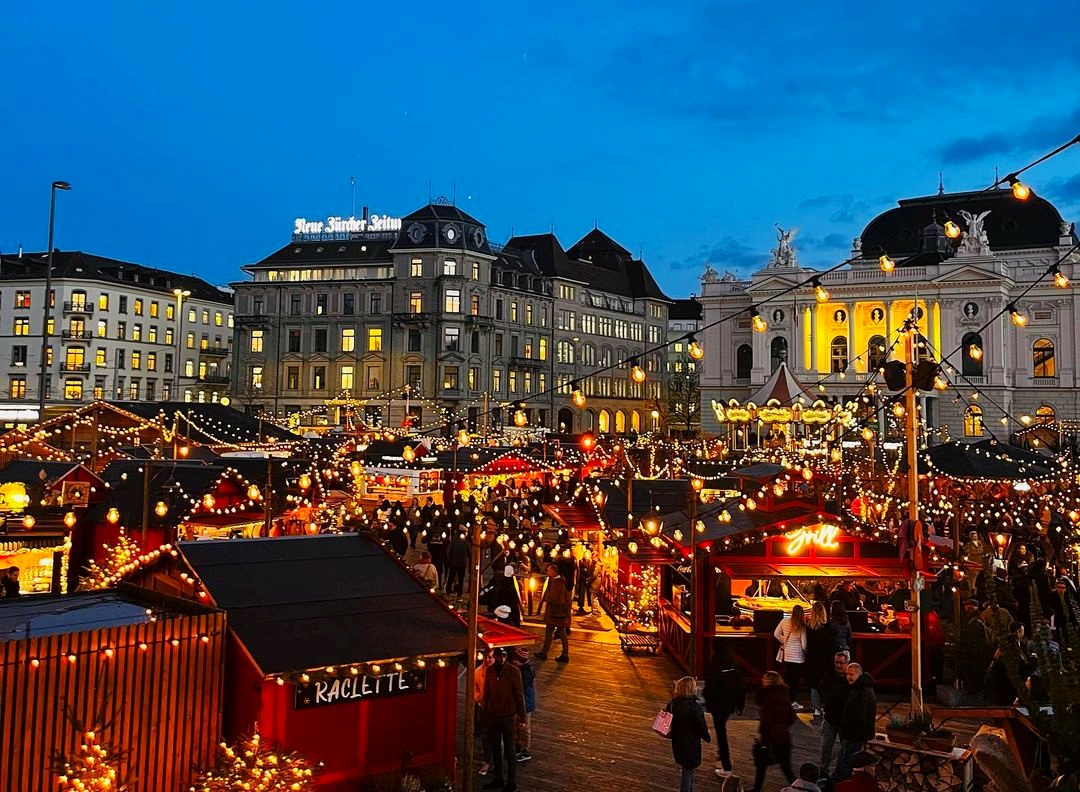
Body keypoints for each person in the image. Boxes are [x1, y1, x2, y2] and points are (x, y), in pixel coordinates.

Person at [481, 647, 525, 792]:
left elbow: (519, 695)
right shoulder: (490, 671)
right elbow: (486, 692)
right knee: (496, 749)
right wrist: (484, 711)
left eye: (504, 655)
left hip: (507, 716)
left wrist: (521, 716)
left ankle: (511, 782)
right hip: (493, 715)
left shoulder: (513, 671)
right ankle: (499, 779)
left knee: (509, 750)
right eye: (499, 656)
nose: (501, 658)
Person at [702, 642, 745, 779]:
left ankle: (726, 765)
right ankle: (721, 755)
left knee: (721, 733)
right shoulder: (733, 666)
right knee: (721, 730)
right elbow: (741, 686)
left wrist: (707, 701)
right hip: (730, 704)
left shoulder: (714, 666)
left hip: (717, 705)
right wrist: (740, 704)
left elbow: (710, 688)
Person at [750, 671, 796, 792]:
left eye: (764, 680)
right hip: (783, 737)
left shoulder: (768, 699)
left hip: (770, 737)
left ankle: (756, 789)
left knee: (762, 765)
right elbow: (791, 718)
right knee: (786, 768)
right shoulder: (784, 696)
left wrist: (762, 732)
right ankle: (799, 786)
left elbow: (766, 719)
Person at [665, 675, 711, 792]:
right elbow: (701, 726)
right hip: (691, 743)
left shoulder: (673, 703)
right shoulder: (695, 707)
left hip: (678, 740)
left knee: (687, 768)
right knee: (688, 771)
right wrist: (707, 737)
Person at [835, 663, 876, 782]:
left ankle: (842, 783)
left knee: (847, 761)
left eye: (851, 674)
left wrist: (846, 728)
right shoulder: (860, 688)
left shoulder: (862, 691)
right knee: (845, 759)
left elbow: (859, 716)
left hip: (855, 734)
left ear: (859, 674)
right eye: (847, 674)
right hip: (853, 733)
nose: (848, 677)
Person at [819, 650, 852, 778]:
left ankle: (841, 772)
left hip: (844, 720)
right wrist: (827, 698)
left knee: (845, 748)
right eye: (836, 662)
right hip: (830, 718)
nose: (838, 665)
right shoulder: (830, 674)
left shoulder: (850, 677)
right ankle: (823, 771)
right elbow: (821, 687)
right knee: (826, 746)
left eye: (841, 663)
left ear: (847, 663)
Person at [535, 564, 572, 662]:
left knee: (549, 633)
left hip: (554, 613)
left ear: (554, 572)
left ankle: (545, 653)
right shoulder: (561, 581)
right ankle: (564, 653)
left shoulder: (556, 583)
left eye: (549, 571)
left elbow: (552, 597)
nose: (547, 572)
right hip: (560, 613)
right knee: (561, 633)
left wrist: (546, 597)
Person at [805, 601, 836, 718]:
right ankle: (826, 706)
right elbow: (833, 644)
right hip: (826, 660)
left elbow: (807, 644)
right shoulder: (829, 627)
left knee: (814, 684)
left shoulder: (809, 628)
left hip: (813, 659)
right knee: (826, 683)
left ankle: (816, 708)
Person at [774, 605, 808, 708]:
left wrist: (784, 641)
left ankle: (786, 699)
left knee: (788, 678)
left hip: (787, 654)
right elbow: (804, 644)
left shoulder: (784, 621)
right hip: (798, 656)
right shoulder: (802, 625)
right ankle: (792, 701)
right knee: (794, 681)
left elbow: (776, 633)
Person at [512, 648, 535, 762]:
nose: (514, 662)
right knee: (519, 725)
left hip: (525, 703)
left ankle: (526, 750)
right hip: (524, 702)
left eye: (516, 660)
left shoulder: (524, 673)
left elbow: (520, 689)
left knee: (524, 726)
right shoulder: (524, 670)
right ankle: (519, 746)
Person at [475, 649, 495, 777]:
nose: (488, 660)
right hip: (483, 708)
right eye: (486, 657)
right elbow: (474, 689)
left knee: (499, 737)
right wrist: (479, 698)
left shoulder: (501, 671)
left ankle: (496, 762)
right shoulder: (478, 672)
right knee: (485, 737)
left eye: (491, 657)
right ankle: (488, 761)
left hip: (498, 710)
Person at [446, 530, 469, 597]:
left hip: (453, 563)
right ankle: (459, 593)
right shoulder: (465, 543)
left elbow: (448, 552)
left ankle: (448, 590)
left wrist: (449, 560)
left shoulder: (452, 542)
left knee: (450, 577)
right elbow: (469, 553)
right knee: (461, 579)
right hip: (462, 564)